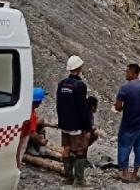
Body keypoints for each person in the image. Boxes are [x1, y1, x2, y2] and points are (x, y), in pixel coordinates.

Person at [115, 63, 140, 183]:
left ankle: (125, 173)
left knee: (124, 146)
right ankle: (135, 174)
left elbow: (118, 107)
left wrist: (122, 108)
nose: (125, 74)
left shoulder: (124, 88)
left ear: (133, 73)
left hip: (128, 124)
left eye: (127, 72)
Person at [56, 55, 91, 186]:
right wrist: (87, 127)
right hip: (76, 125)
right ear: (79, 68)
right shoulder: (80, 85)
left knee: (66, 148)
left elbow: (59, 104)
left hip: (64, 123)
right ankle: (79, 180)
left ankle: (68, 178)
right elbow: (83, 108)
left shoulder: (61, 84)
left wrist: (61, 121)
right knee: (79, 150)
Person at [27, 87, 55, 157]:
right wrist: (40, 141)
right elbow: (32, 133)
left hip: (23, 131)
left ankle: (37, 146)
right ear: (38, 101)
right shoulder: (31, 114)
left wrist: (50, 125)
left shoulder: (28, 107)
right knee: (37, 131)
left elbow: (36, 123)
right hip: (23, 137)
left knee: (41, 121)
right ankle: (31, 148)